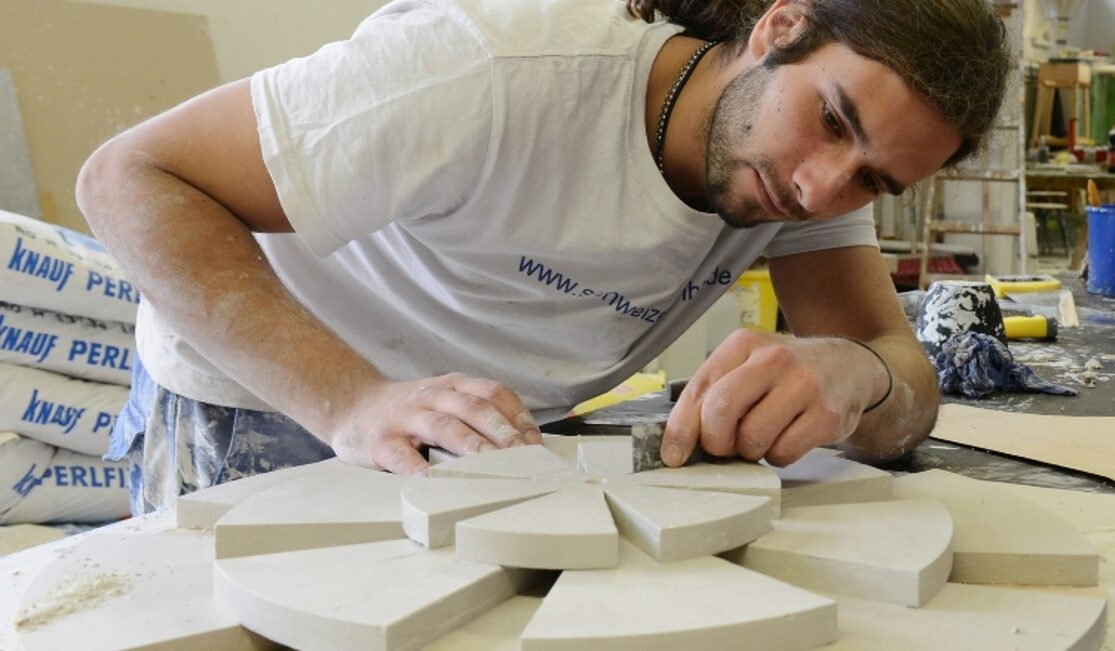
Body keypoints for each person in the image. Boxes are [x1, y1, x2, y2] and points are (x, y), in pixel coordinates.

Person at [76, 0, 1011, 514]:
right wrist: (351, 401)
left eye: (873, 182)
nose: (820, 189)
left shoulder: (798, 181)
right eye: (830, 120)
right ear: (777, 30)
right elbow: (130, 176)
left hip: (495, 441)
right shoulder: (493, 70)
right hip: (271, 402)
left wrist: (856, 375)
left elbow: (903, 386)